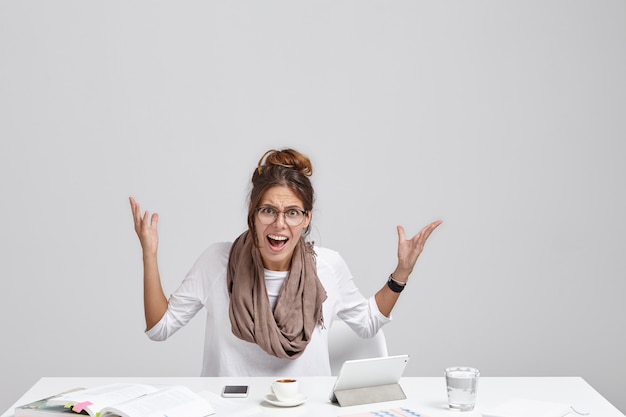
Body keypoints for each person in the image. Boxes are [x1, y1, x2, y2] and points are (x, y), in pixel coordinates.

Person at [129, 148, 441, 376]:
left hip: (305, 410)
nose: (279, 224)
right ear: (252, 211)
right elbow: (160, 328)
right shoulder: (217, 261)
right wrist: (149, 254)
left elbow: (368, 322)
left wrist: (402, 273)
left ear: (306, 218)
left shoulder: (327, 266)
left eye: (292, 213)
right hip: (229, 410)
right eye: (268, 211)